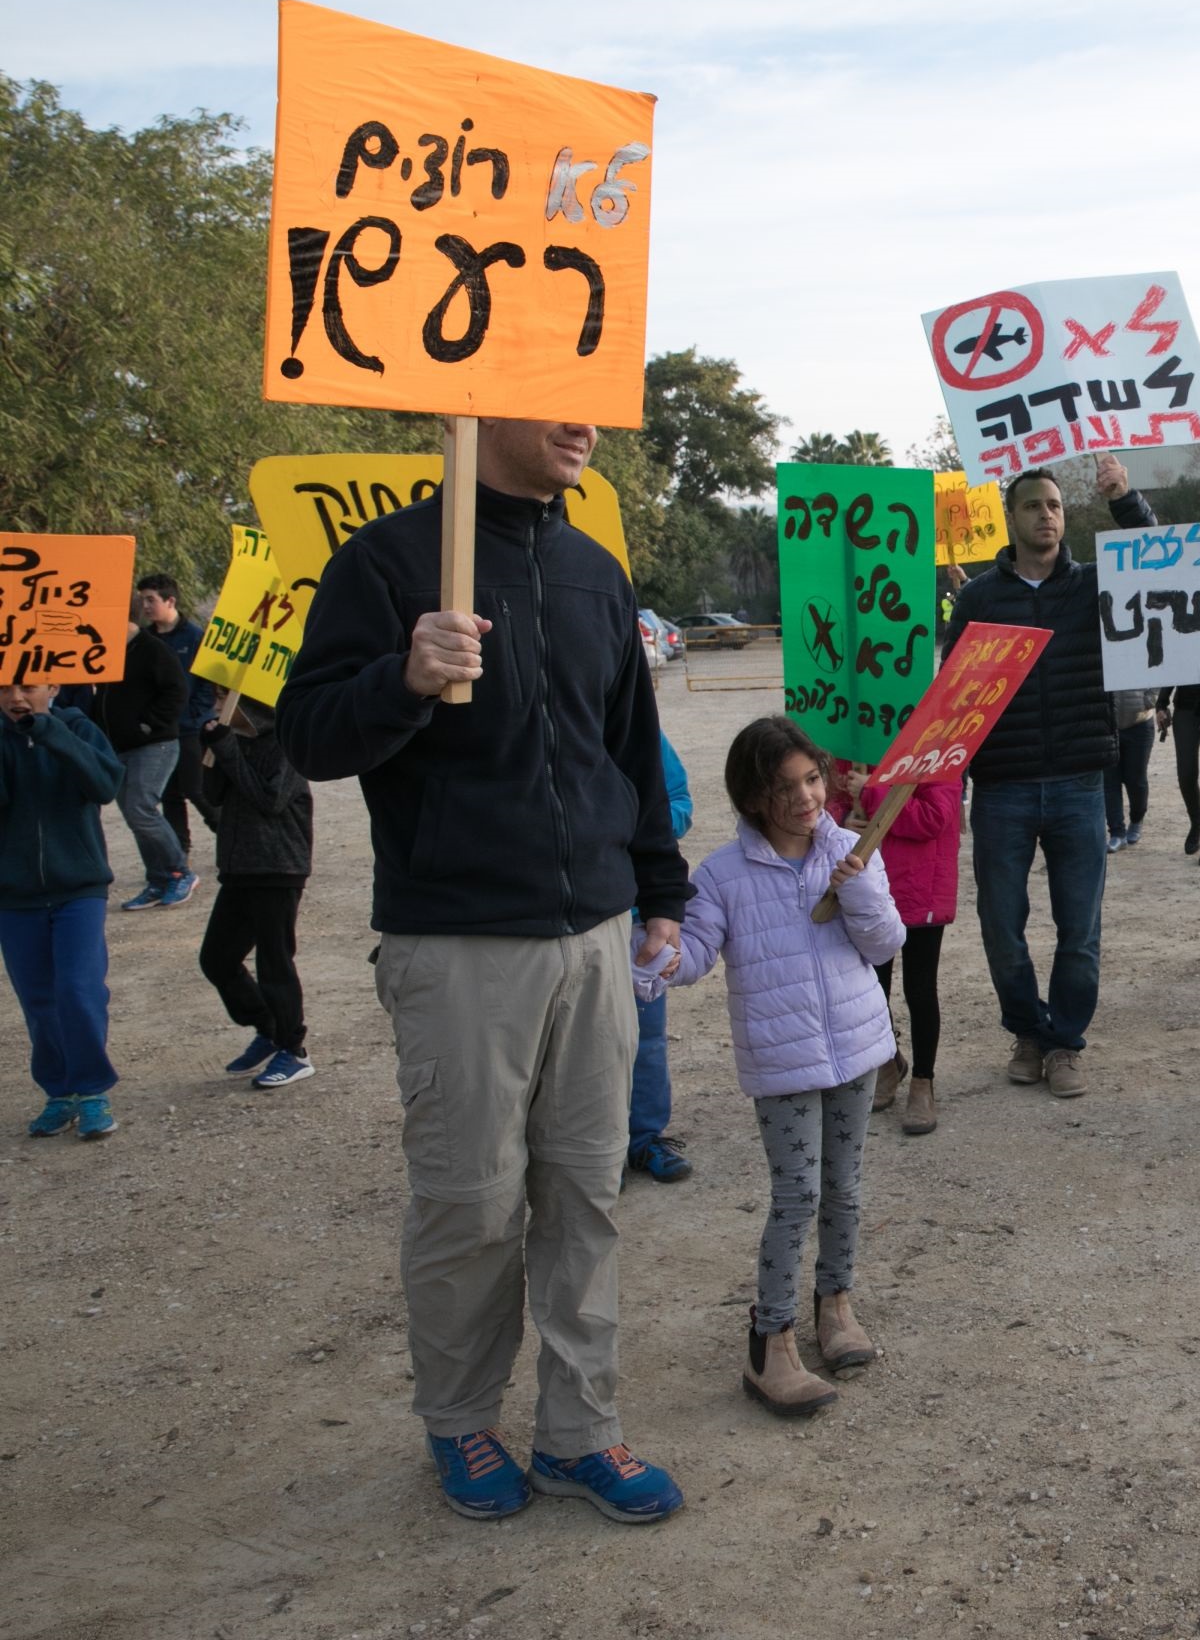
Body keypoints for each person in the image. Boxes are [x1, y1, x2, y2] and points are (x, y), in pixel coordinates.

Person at [278, 415, 690, 1525]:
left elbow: (627, 746)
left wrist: (659, 888)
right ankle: (460, 1423)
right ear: (480, 406)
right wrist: (403, 679)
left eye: (594, 401)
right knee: (469, 1202)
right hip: (456, 940)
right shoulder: (390, 561)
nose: (584, 425)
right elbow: (309, 736)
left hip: (597, 937)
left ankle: (580, 1435)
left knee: (585, 1197)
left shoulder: (594, 569)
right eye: (557, 399)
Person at [662, 718, 903, 1415]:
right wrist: (659, 955)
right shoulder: (723, 876)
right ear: (751, 798)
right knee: (797, 1194)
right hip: (784, 1063)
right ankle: (771, 1340)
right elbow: (695, 953)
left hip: (857, 1050)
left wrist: (855, 884)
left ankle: (836, 1306)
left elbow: (885, 943)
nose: (804, 797)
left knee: (845, 1189)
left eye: (811, 778)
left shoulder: (853, 847)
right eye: (782, 787)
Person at [939, 453, 1153, 1102]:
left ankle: (1065, 1043)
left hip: (1079, 783)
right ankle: (1026, 1032)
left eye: (1056, 505)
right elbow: (952, 693)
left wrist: (1123, 497)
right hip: (1002, 787)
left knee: (1079, 930)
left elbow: (1154, 561)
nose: (1047, 515)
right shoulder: (977, 598)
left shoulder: (1094, 584)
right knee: (1001, 925)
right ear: (1010, 518)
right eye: (1033, 505)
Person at [1, 680, 125, 1141]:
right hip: (14, 895)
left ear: (51, 686)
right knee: (38, 1000)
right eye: (3, 689)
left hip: (79, 887)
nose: (16, 698)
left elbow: (105, 784)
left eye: (27, 687)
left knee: (78, 989)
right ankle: (59, 1092)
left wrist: (50, 733)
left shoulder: (77, 726)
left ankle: (92, 1091)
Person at [831, 756, 960, 1137]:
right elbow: (831, 801)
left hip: (921, 887)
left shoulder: (937, 751)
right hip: (868, 889)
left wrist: (871, 792)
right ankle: (888, 1061)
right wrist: (842, 820)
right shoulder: (850, 745)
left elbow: (933, 819)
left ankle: (924, 1081)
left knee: (919, 990)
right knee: (872, 989)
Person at [196, 699, 315, 1089]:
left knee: (275, 961)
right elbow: (212, 795)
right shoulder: (235, 740)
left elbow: (270, 799)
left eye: (227, 696)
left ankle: (294, 1050)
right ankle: (268, 1026)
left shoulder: (286, 743)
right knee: (217, 958)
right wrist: (212, 749)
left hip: (277, 865)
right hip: (239, 866)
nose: (218, 703)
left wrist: (228, 749)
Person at [627, 734, 696, 1182]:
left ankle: (644, 1138)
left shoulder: (644, 736)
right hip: (566, 919)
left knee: (646, 1040)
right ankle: (594, 1150)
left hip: (637, 916)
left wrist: (634, 824)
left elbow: (680, 803)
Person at [99, 598, 197, 910]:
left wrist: (148, 724)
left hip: (155, 744)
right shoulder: (106, 651)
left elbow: (178, 690)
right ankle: (158, 879)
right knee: (132, 813)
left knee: (141, 807)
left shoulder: (151, 648)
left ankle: (180, 871)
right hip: (119, 747)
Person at [136, 572, 218, 861]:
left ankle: (227, 832)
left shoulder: (195, 637)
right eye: (142, 600)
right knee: (170, 794)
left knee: (196, 789)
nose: (145, 606)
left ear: (170, 600)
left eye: (151, 599)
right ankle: (178, 851)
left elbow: (207, 683)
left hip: (189, 729)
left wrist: (195, 716)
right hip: (160, 730)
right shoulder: (145, 640)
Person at [1158, 681, 1200, 866]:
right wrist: (1161, 703)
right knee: (1186, 773)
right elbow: (1174, 664)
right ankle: (1197, 822)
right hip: (1186, 707)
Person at [1105, 687, 1157, 852]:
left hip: (1139, 723)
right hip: (1108, 724)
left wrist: (1148, 700)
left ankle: (1137, 819)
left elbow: (1157, 671)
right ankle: (1116, 832)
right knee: (1110, 780)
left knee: (1136, 779)